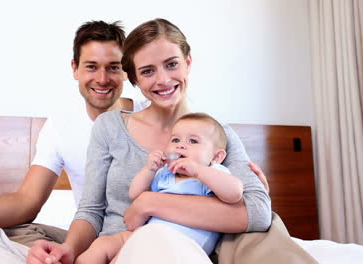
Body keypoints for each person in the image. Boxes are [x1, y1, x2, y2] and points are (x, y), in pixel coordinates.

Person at [0, 20, 150, 264]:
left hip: (135, 240)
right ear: (74, 68)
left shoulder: (150, 115)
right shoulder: (61, 125)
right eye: (91, 66)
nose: (102, 78)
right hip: (83, 238)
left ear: (126, 70)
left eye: (113, 67)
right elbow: (26, 203)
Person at [26, 18, 272, 264]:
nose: (163, 80)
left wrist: (150, 203)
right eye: (147, 71)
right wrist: (69, 248)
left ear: (188, 62)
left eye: (172, 64)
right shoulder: (110, 127)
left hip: (182, 251)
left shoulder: (217, 136)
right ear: (134, 79)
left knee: (272, 234)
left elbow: (258, 212)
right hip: (117, 248)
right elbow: (91, 210)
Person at [75, 112, 244, 264]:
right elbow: (136, 195)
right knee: (102, 244)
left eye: (193, 141)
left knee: (129, 256)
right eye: (175, 140)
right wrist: (149, 170)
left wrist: (199, 171)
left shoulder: (212, 173)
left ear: (216, 156)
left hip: (180, 246)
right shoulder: (166, 173)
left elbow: (235, 193)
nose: (181, 145)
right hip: (145, 234)